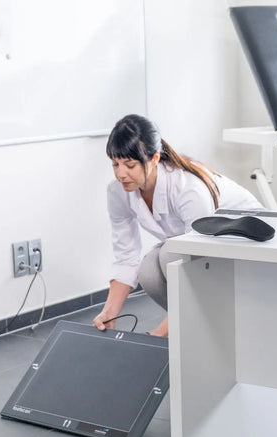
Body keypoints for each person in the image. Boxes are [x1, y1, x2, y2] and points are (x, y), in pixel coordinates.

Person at [93, 114, 263, 337]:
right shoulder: (118, 192)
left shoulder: (187, 189)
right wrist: (109, 313)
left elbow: (202, 264)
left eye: (130, 165)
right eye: (115, 164)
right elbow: (126, 257)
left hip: (246, 241)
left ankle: (194, 328)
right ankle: (196, 328)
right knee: (148, 271)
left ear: (154, 159)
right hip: (202, 249)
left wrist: (158, 335)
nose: (120, 174)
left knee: (170, 256)